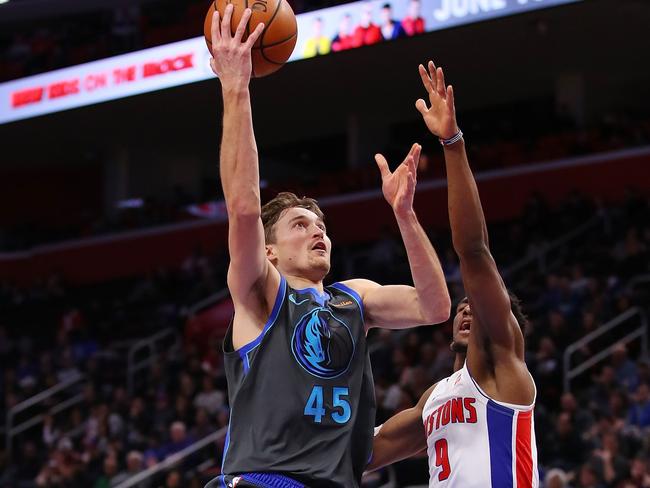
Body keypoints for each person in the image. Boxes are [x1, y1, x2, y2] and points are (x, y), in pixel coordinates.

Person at [206, 10, 451, 488]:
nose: (318, 233)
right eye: (300, 225)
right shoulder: (261, 294)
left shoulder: (351, 298)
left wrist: (405, 215)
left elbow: (435, 305)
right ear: (270, 251)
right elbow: (242, 208)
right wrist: (236, 87)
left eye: (321, 226)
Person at [370, 61, 539, 487]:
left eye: (474, 307)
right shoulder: (432, 400)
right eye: (462, 308)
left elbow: (474, 252)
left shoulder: (503, 361)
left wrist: (451, 142)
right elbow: (364, 452)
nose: (467, 310)